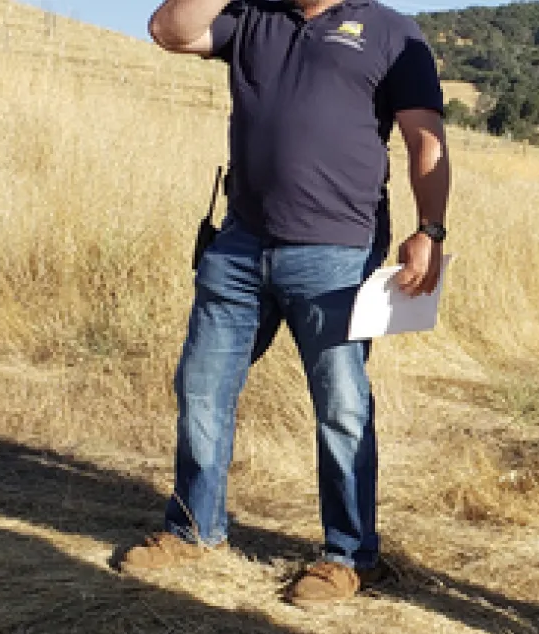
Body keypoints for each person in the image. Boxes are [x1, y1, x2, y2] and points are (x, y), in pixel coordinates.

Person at [118, 0, 452, 607]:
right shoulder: (252, 17)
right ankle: (194, 530)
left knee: (341, 404)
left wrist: (430, 229)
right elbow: (170, 30)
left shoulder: (389, 31)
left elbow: (423, 136)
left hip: (337, 250)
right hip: (240, 242)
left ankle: (349, 556)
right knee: (201, 387)